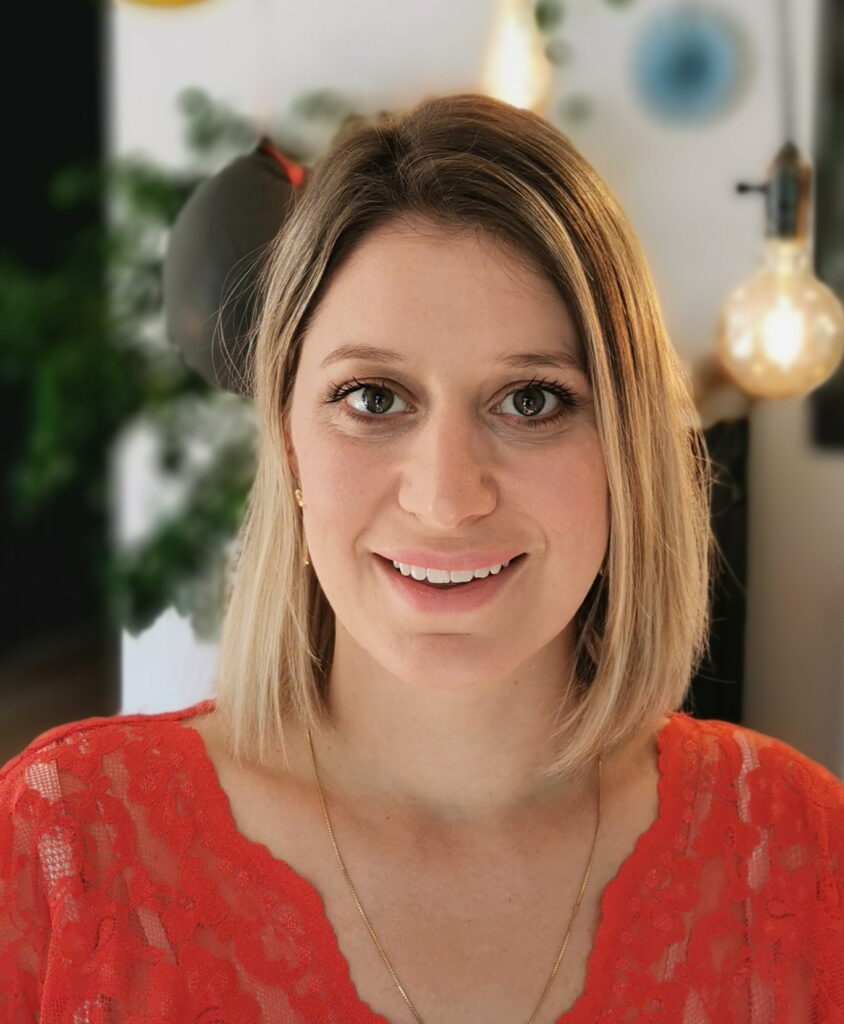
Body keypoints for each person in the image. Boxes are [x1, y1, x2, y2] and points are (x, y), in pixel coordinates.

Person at [1, 93, 841, 1024]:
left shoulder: (797, 852)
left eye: (531, 401)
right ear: (289, 445)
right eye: (373, 398)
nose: (446, 499)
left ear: (627, 452)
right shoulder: (62, 845)